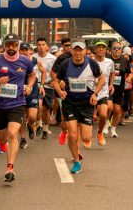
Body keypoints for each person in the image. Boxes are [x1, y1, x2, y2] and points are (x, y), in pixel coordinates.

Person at [0, 33, 36, 182]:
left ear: (18, 46)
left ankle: (10, 168)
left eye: (14, 44)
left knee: (13, 134)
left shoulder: (25, 61)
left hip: (17, 104)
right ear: (4, 46)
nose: (11, 47)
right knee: (3, 137)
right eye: (8, 44)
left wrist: (29, 87)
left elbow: (33, 75)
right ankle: (0, 142)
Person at [52, 41, 104, 174]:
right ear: (72, 51)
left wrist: (95, 93)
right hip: (70, 103)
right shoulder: (65, 64)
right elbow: (55, 81)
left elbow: (102, 79)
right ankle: (76, 160)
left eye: (80, 50)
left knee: (86, 137)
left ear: (85, 51)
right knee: (73, 134)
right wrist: (59, 91)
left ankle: (77, 141)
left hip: (86, 104)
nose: (78, 52)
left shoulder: (92, 63)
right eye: (75, 50)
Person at [18, 42, 46, 148]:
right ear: (19, 51)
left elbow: (44, 72)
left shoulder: (35, 61)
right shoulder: (16, 61)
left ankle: (30, 125)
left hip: (33, 91)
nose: (24, 52)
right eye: (22, 50)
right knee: (21, 116)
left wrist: (42, 85)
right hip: (20, 91)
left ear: (30, 51)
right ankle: (23, 139)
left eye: (26, 50)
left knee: (32, 116)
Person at [33, 37, 57, 139]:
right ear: (36, 46)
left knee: (46, 110)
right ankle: (39, 124)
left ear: (47, 46)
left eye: (43, 44)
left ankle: (45, 129)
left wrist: (54, 81)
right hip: (36, 85)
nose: (41, 47)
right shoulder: (32, 58)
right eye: (39, 45)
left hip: (48, 86)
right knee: (39, 106)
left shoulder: (53, 58)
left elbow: (56, 73)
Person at [51, 37, 72, 145]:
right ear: (63, 46)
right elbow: (53, 73)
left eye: (70, 45)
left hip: (78, 92)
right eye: (67, 45)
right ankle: (64, 131)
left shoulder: (82, 57)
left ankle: (72, 135)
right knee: (64, 115)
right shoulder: (61, 58)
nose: (69, 47)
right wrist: (59, 83)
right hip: (63, 90)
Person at [93, 41, 114, 146]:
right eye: (98, 47)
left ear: (106, 50)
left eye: (103, 47)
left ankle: (100, 133)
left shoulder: (109, 62)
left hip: (103, 92)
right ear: (95, 49)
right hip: (91, 92)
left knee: (103, 114)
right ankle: (86, 138)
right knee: (87, 118)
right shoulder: (90, 61)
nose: (101, 49)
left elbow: (112, 73)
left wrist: (111, 84)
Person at [109, 42, 132, 138]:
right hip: (108, 88)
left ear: (121, 50)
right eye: (114, 48)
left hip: (119, 88)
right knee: (108, 107)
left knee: (117, 110)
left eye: (118, 48)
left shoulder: (124, 60)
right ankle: (106, 123)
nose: (117, 50)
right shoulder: (107, 59)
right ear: (111, 49)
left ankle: (113, 129)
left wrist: (129, 77)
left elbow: (129, 73)